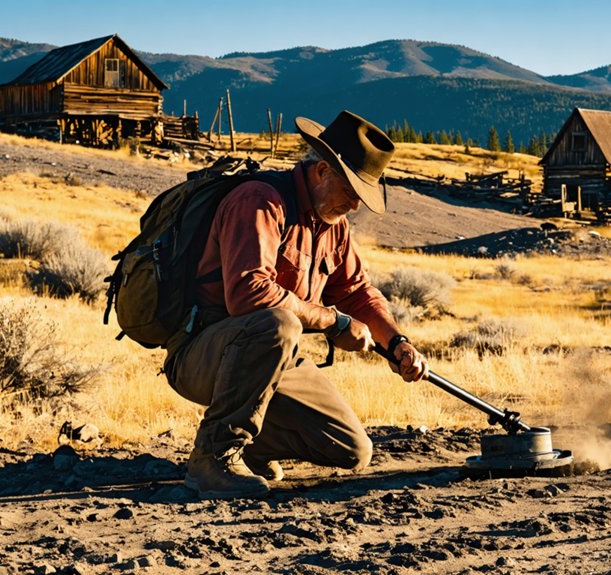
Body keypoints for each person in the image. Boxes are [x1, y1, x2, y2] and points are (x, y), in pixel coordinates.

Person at [164, 110, 430, 499]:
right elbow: (249, 293)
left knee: (353, 449)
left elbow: (356, 291)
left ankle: (251, 450)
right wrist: (335, 323)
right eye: (352, 192)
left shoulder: (333, 224)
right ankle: (213, 458)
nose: (355, 206)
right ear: (322, 171)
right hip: (203, 355)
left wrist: (397, 342)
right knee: (280, 324)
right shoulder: (259, 202)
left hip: (270, 361)